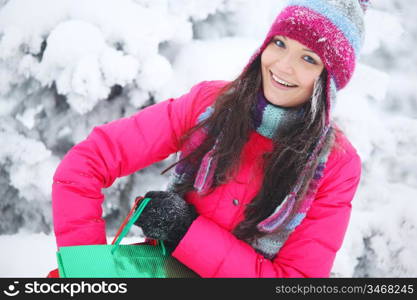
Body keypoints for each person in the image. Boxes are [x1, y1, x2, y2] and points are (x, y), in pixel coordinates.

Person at [52, 0, 368, 277]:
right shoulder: (209, 105)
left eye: (309, 59)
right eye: (280, 43)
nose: (283, 66)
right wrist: (88, 272)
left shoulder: (336, 164)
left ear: (329, 81)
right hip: (163, 271)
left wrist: (185, 231)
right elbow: (86, 163)